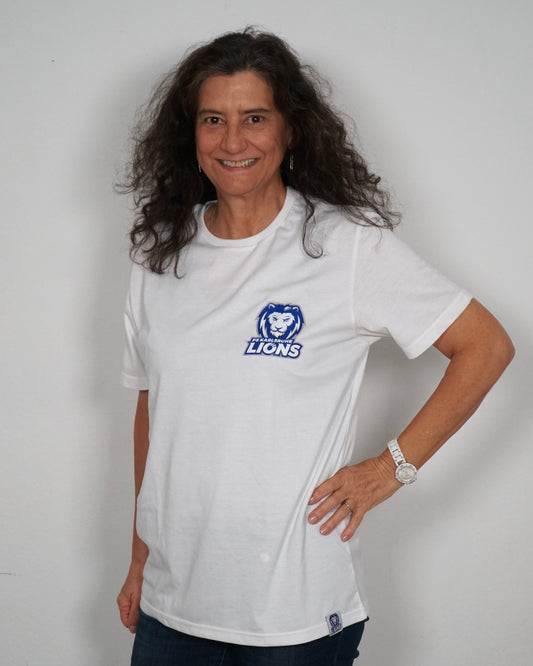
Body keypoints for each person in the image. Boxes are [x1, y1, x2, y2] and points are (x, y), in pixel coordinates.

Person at [116, 28, 514, 665]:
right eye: (213, 120)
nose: (233, 141)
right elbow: (153, 410)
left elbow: (486, 346)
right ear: (190, 134)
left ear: (291, 130)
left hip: (294, 617)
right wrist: (140, 556)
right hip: (172, 605)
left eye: (255, 118)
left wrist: (389, 469)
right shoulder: (159, 252)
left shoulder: (344, 245)